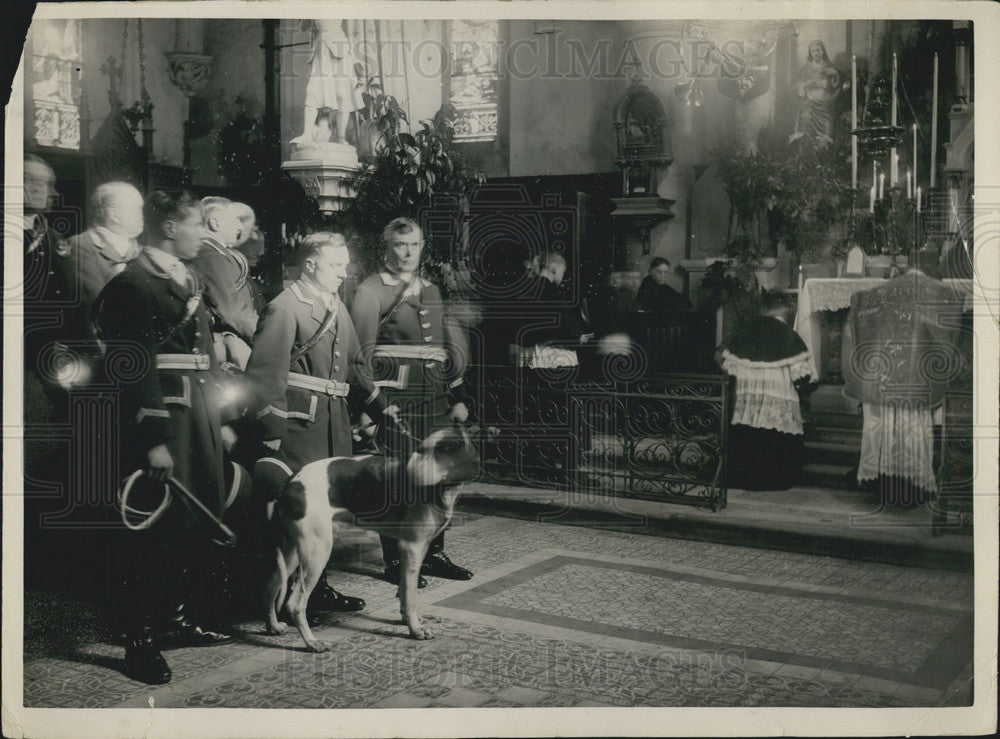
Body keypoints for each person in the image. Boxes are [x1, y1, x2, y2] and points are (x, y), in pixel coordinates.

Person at [96, 190, 240, 685]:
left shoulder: (190, 277)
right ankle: (139, 640)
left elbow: (207, 355)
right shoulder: (132, 283)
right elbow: (129, 364)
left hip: (197, 416)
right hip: (162, 421)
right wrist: (152, 436)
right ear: (170, 228)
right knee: (151, 530)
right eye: (198, 223)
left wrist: (218, 417)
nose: (204, 232)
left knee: (192, 519)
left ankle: (175, 618)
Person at [245, 232, 393, 617]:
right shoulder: (285, 307)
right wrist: (271, 435)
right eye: (335, 265)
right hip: (299, 425)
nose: (344, 273)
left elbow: (356, 364)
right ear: (310, 264)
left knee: (321, 512)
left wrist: (380, 407)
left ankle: (316, 589)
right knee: (294, 514)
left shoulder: (335, 305)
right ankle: (270, 599)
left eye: (345, 265)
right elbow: (265, 377)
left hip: (334, 420)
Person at [350, 217, 474, 587]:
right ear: (386, 249)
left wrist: (458, 395)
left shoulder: (431, 289)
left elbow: (443, 348)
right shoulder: (370, 291)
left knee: (438, 474)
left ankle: (433, 553)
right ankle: (394, 560)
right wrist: (374, 405)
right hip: (395, 401)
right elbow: (359, 356)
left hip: (434, 399)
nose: (408, 253)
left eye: (415, 245)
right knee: (397, 478)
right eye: (400, 246)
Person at [841, 265, 965, 504]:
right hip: (915, 381)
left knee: (882, 430)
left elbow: (858, 308)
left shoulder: (879, 292)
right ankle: (913, 489)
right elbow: (945, 334)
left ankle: (881, 484)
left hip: (881, 377)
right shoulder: (936, 293)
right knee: (912, 431)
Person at [718, 291, 813, 490]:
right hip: (777, 389)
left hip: (747, 391)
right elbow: (802, 375)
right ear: (784, 310)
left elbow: (729, 367)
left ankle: (744, 477)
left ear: (764, 307)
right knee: (773, 431)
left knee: (749, 429)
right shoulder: (786, 333)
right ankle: (773, 478)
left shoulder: (746, 330)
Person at [56, 181, 144, 354]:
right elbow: (96, 304)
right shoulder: (81, 245)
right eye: (137, 209)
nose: (142, 215)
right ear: (115, 215)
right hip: (102, 349)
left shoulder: (140, 250)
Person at [191, 196, 259, 369]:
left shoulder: (221, 253)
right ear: (215, 224)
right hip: (229, 348)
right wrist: (265, 337)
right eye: (235, 220)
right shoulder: (210, 255)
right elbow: (232, 311)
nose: (240, 226)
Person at [290, 19, 364, 146]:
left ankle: (341, 137)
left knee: (342, 93)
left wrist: (354, 58)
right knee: (313, 91)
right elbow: (304, 26)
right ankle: (307, 135)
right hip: (321, 45)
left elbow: (352, 28)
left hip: (340, 45)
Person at [790, 39, 841, 146]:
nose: (815, 53)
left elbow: (838, 86)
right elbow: (798, 87)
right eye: (812, 51)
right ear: (810, 53)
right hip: (809, 106)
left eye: (818, 50)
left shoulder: (830, 68)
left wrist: (834, 76)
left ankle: (823, 159)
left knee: (826, 134)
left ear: (823, 51)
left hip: (825, 106)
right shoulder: (805, 69)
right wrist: (809, 84)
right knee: (806, 136)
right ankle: (809, 160)